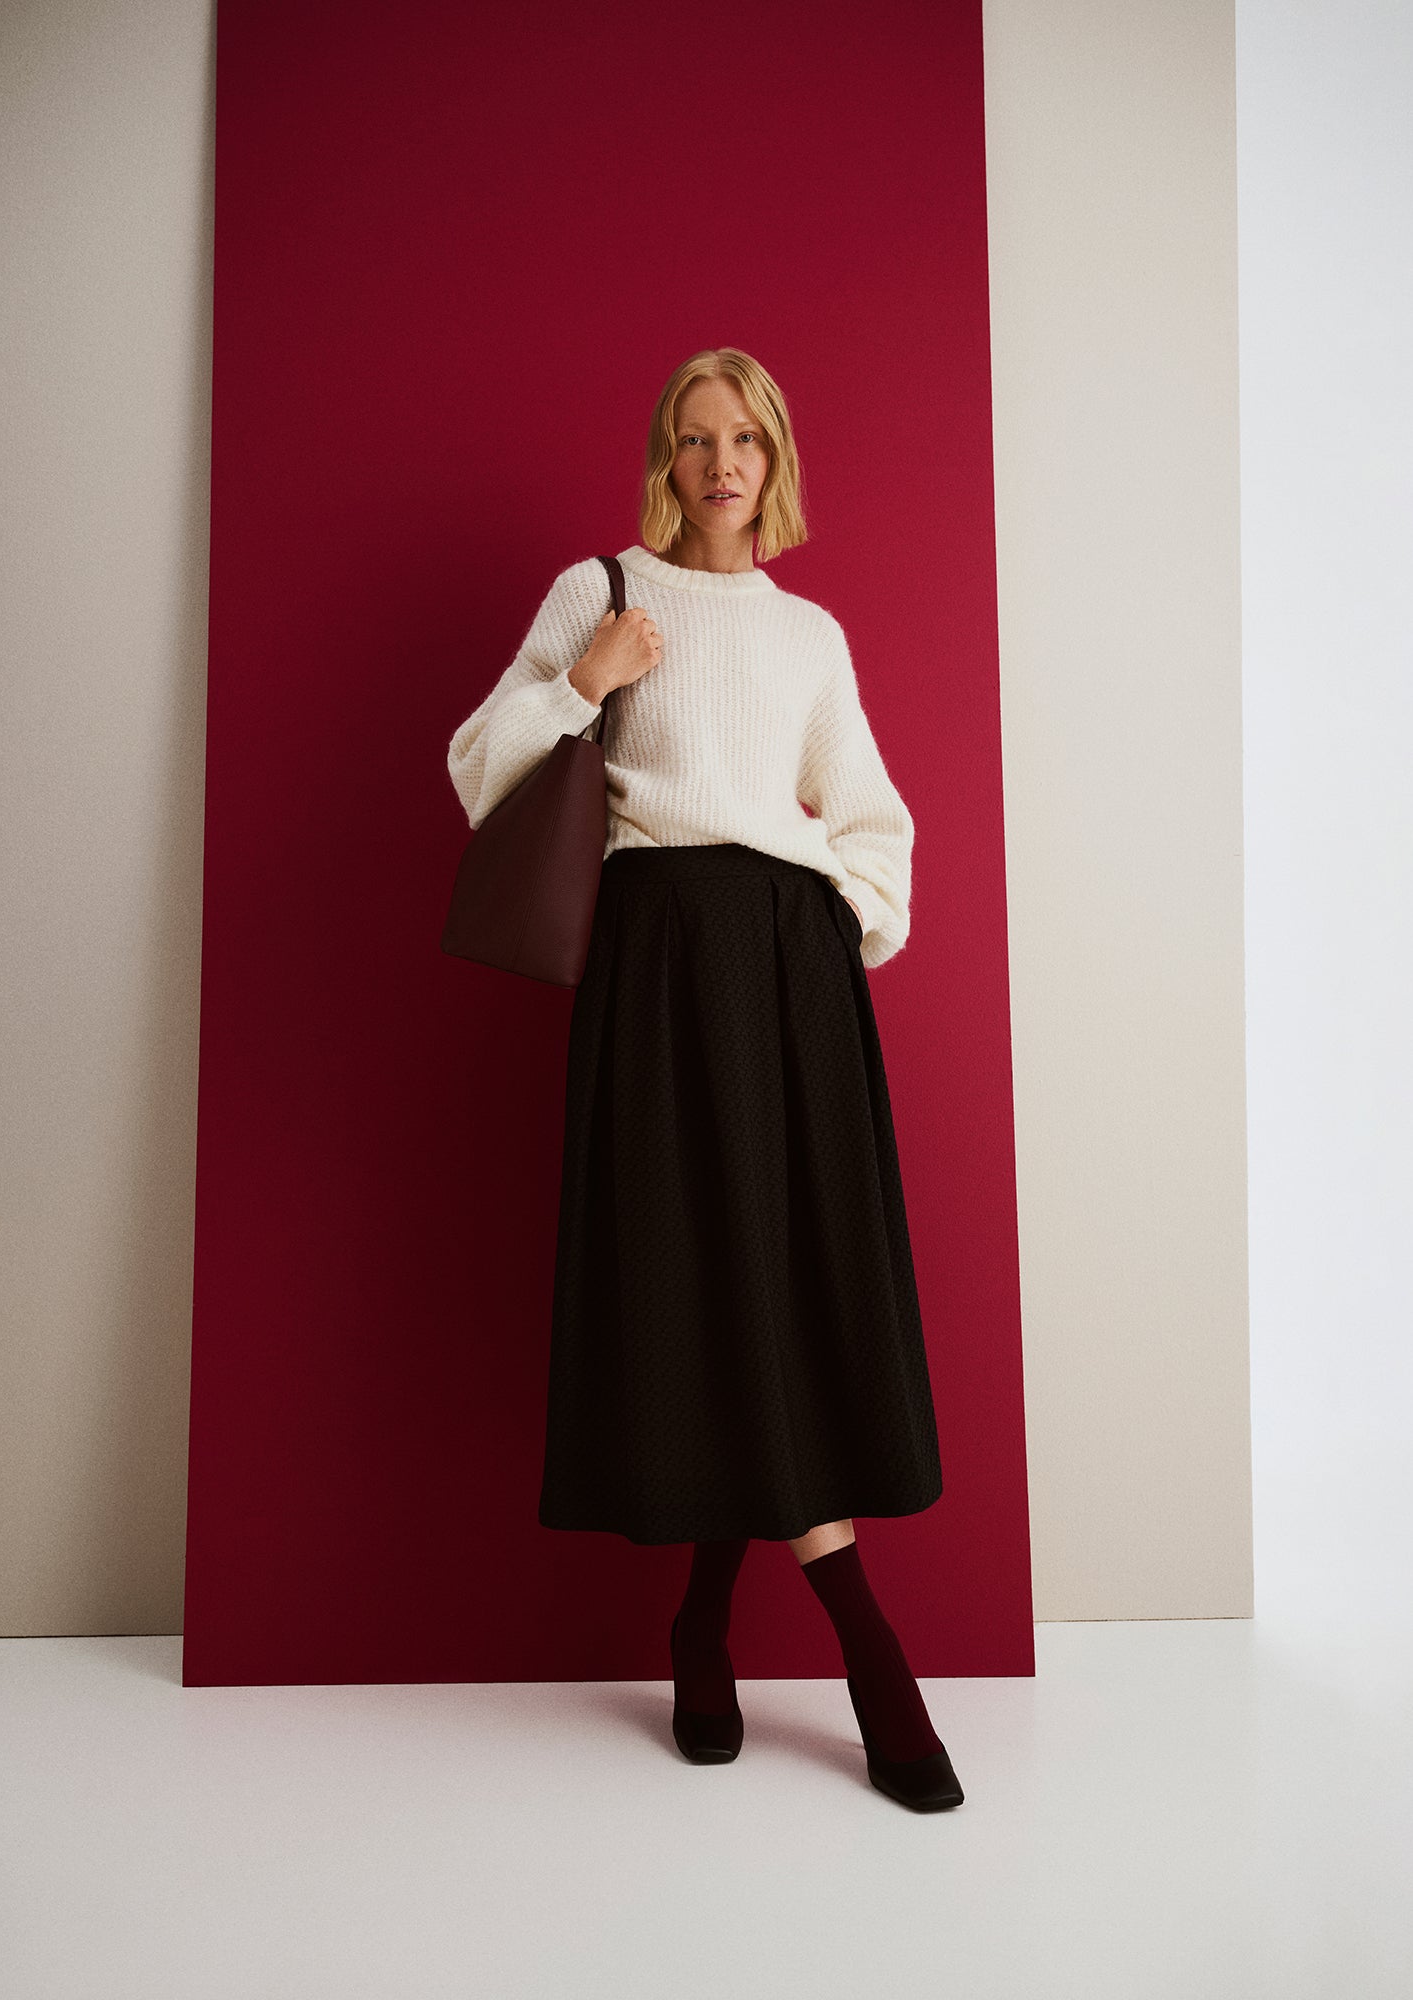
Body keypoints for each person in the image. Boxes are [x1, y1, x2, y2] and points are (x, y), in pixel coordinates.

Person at [446, 347, 962, 1812]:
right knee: (710, 1284)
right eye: (694, 439)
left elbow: (873, 825)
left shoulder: (810, 636)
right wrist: (580, 685)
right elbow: (479, 768)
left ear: (773, 456)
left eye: (744, 438)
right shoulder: (598, 592)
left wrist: (830, 926)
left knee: (779, 1287)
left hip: (789, 978)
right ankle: (868, 1651)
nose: (721, 462)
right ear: (665, 462)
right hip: (661, 973)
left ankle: (701, 1622)